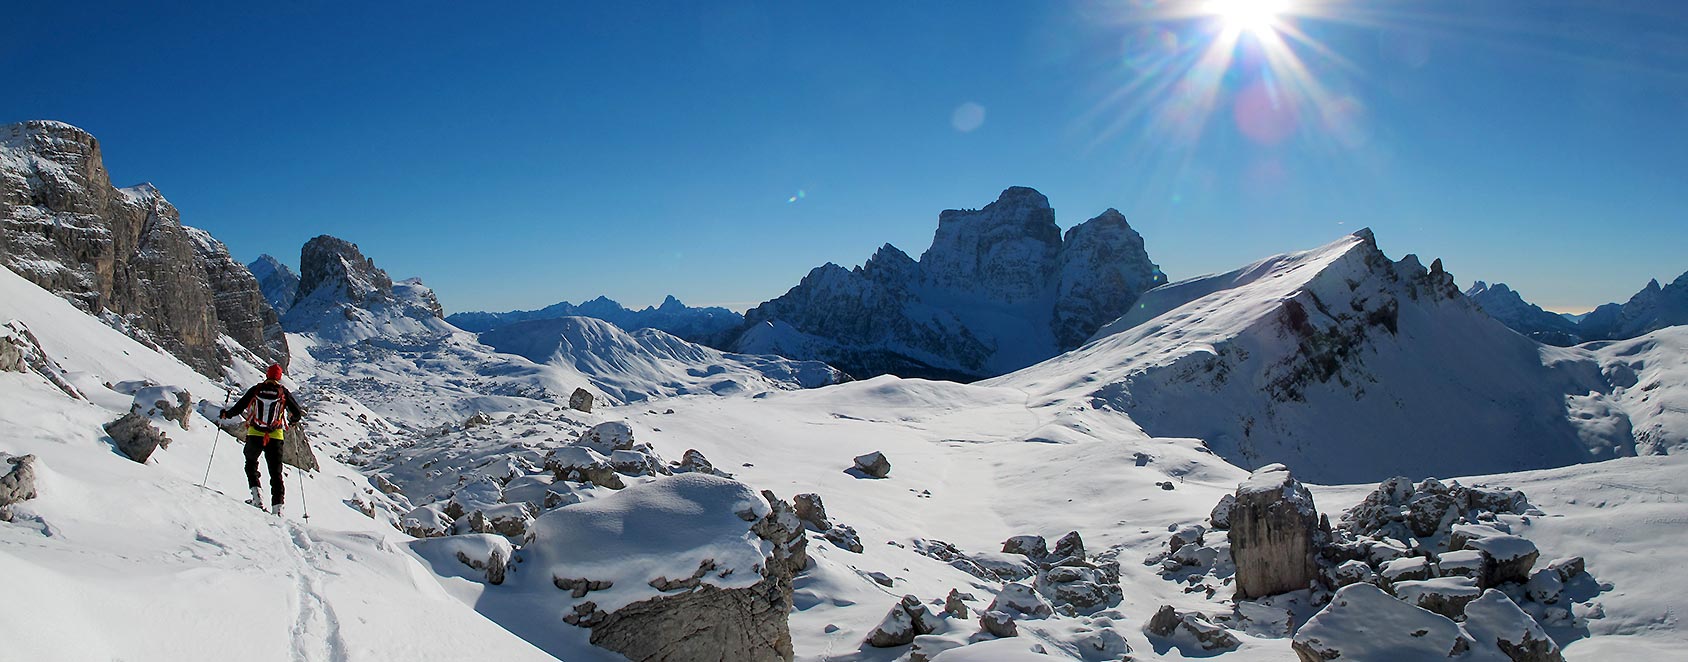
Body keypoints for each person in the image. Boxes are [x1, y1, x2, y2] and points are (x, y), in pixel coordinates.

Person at [220, 364, 304, 516]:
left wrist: (227, 414)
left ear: (267, 375)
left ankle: (257, 497)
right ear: (279, 377)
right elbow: (297, 412)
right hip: (275, 435)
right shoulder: (283, 392)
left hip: (255, 433)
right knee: (276, 473)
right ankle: (278, 509)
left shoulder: (256, 389)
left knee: (251, 464)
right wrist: (292, 421)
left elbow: (240, 406)